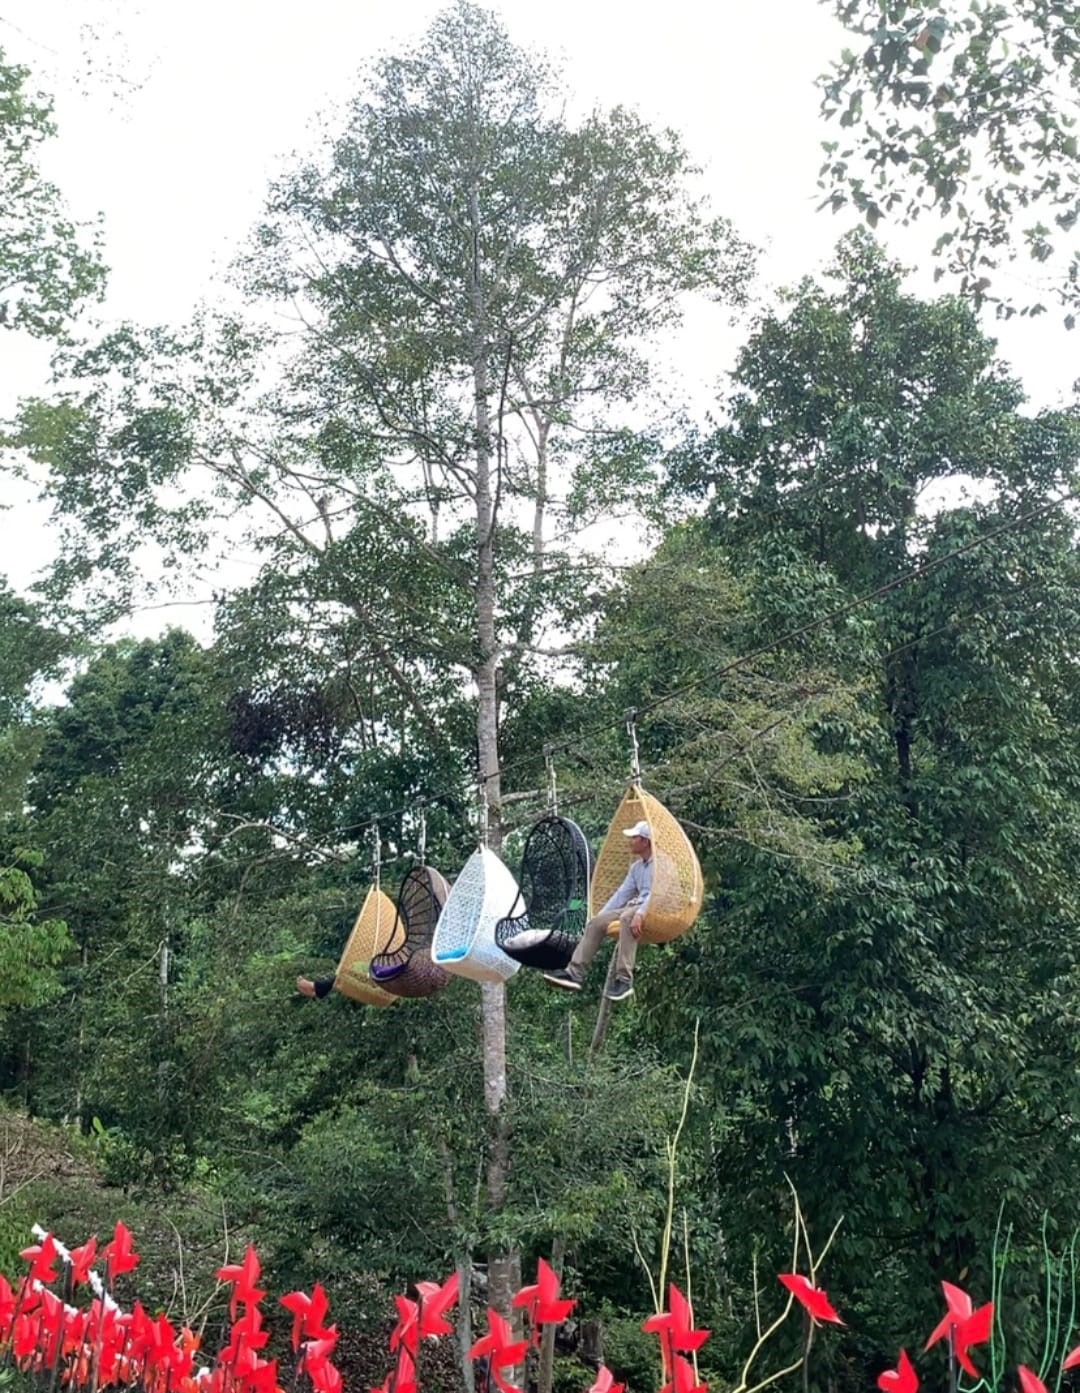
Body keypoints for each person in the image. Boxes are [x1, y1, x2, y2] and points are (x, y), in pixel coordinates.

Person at [542, 820, 654, 1002]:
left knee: (627, 916)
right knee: (596, 923)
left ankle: (624, 979)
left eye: (634, 838)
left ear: (645, 841)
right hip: (636, 906)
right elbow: (621, 895)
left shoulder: (660, 865)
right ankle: (574, 972)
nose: (630, 841)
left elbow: (659, 894)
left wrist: (641, 913)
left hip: (653, 907)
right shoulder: (637, 868)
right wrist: (599, 916)